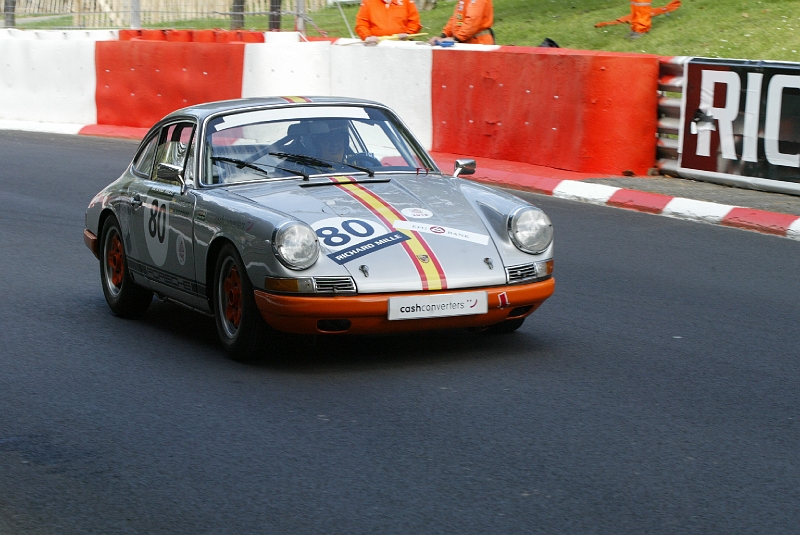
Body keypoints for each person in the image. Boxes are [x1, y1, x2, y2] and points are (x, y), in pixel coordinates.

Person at [355, 0, 422, 46]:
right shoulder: (368, 1)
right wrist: (367, 37)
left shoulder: (406, 1)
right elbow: (361, 24)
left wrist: (408, 33)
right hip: (375, 45)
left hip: (402, 44)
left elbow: (414, 21)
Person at [429, 0, 494, 46]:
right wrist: (443, 36)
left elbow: (472, 21)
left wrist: (456, 39)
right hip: (467, 42)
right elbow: (456, 18)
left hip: (478, 43)